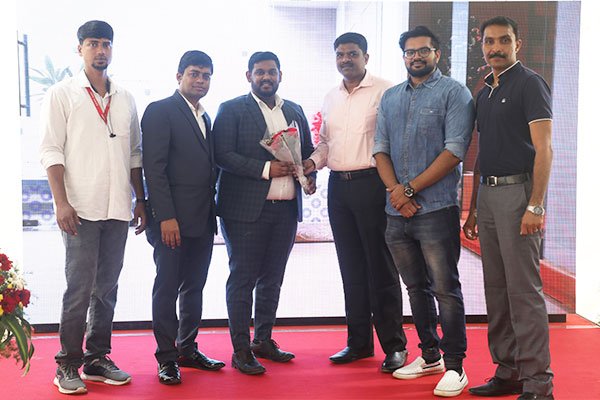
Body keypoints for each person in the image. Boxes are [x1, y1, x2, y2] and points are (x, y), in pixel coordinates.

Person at [40, 20, 146, 395]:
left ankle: (97, 358)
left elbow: (135, 154)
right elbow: (51, 150)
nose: (100, 50)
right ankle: (67, 364)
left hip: (117, 208)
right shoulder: (62, 94)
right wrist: (61, 203)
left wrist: (140, 199)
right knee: (79, 290)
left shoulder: (126, 98)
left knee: (107, 289)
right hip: (80, 209)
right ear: (80, 49)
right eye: (93, 43)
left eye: (106, 44)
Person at [373, 25, 474, 397]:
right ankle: (430, 355)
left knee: (445, 289)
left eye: (423, 50)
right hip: (396, 212)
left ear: (437, 54)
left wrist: (409, 189)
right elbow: (380, 149)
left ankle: (455, 366)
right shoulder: (390, 97)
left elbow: (454, 151)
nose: (416, 56)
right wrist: (396, 193)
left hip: (436, 210)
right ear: (404, 56)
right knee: (415, 288)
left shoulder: (455, 93)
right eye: (410, 51)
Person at [302, 32, 408, 372]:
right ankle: (359, 342)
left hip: (373, 184)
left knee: (381, 267)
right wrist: (311, 163)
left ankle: (395, 346)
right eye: (340, 54)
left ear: (366, 56)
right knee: (351, 267)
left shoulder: (386, 91)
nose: (345, 59)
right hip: (338, 188)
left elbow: (397, 140)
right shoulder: (330, 97)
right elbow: (325, 144)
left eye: (352, 53)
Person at [464, 16, 554, 400]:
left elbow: (544, 149)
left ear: (518, 43)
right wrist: (472, 208)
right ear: (482, 46)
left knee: (523, 293)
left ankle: (538, 385)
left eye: (504, 40)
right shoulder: (484, 92)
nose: (496, 48)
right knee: (497, 290)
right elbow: (483, 153)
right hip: (487, 196)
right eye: (489, 42)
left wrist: (536, 205)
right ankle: (508, 371)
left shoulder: (530, 84)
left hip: (519, 195)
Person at [213, 51, 315, 375]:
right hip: (244, 211)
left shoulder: (294, 110)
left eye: (272, 72)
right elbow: (221, 155)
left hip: (285, 210)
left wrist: (309, 173)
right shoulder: (231, 109)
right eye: (260, 72)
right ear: (249, 76)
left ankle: (263, 340)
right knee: (243, 279)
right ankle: (241, 350)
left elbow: (307, 153)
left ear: (280, 75)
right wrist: (265, 169)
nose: (266, 77)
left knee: (273, 278)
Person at [141, 51, 224, 386]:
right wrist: (165, 217)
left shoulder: (205, 116)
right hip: (171, 221)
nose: (200, 80)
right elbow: (154, 169)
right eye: (194, 74)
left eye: (206, 75)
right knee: (167, 288)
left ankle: (187, 348)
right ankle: (167, 357)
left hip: (202, 218)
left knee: (194, 287)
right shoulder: (160, 110)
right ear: (179, 76)